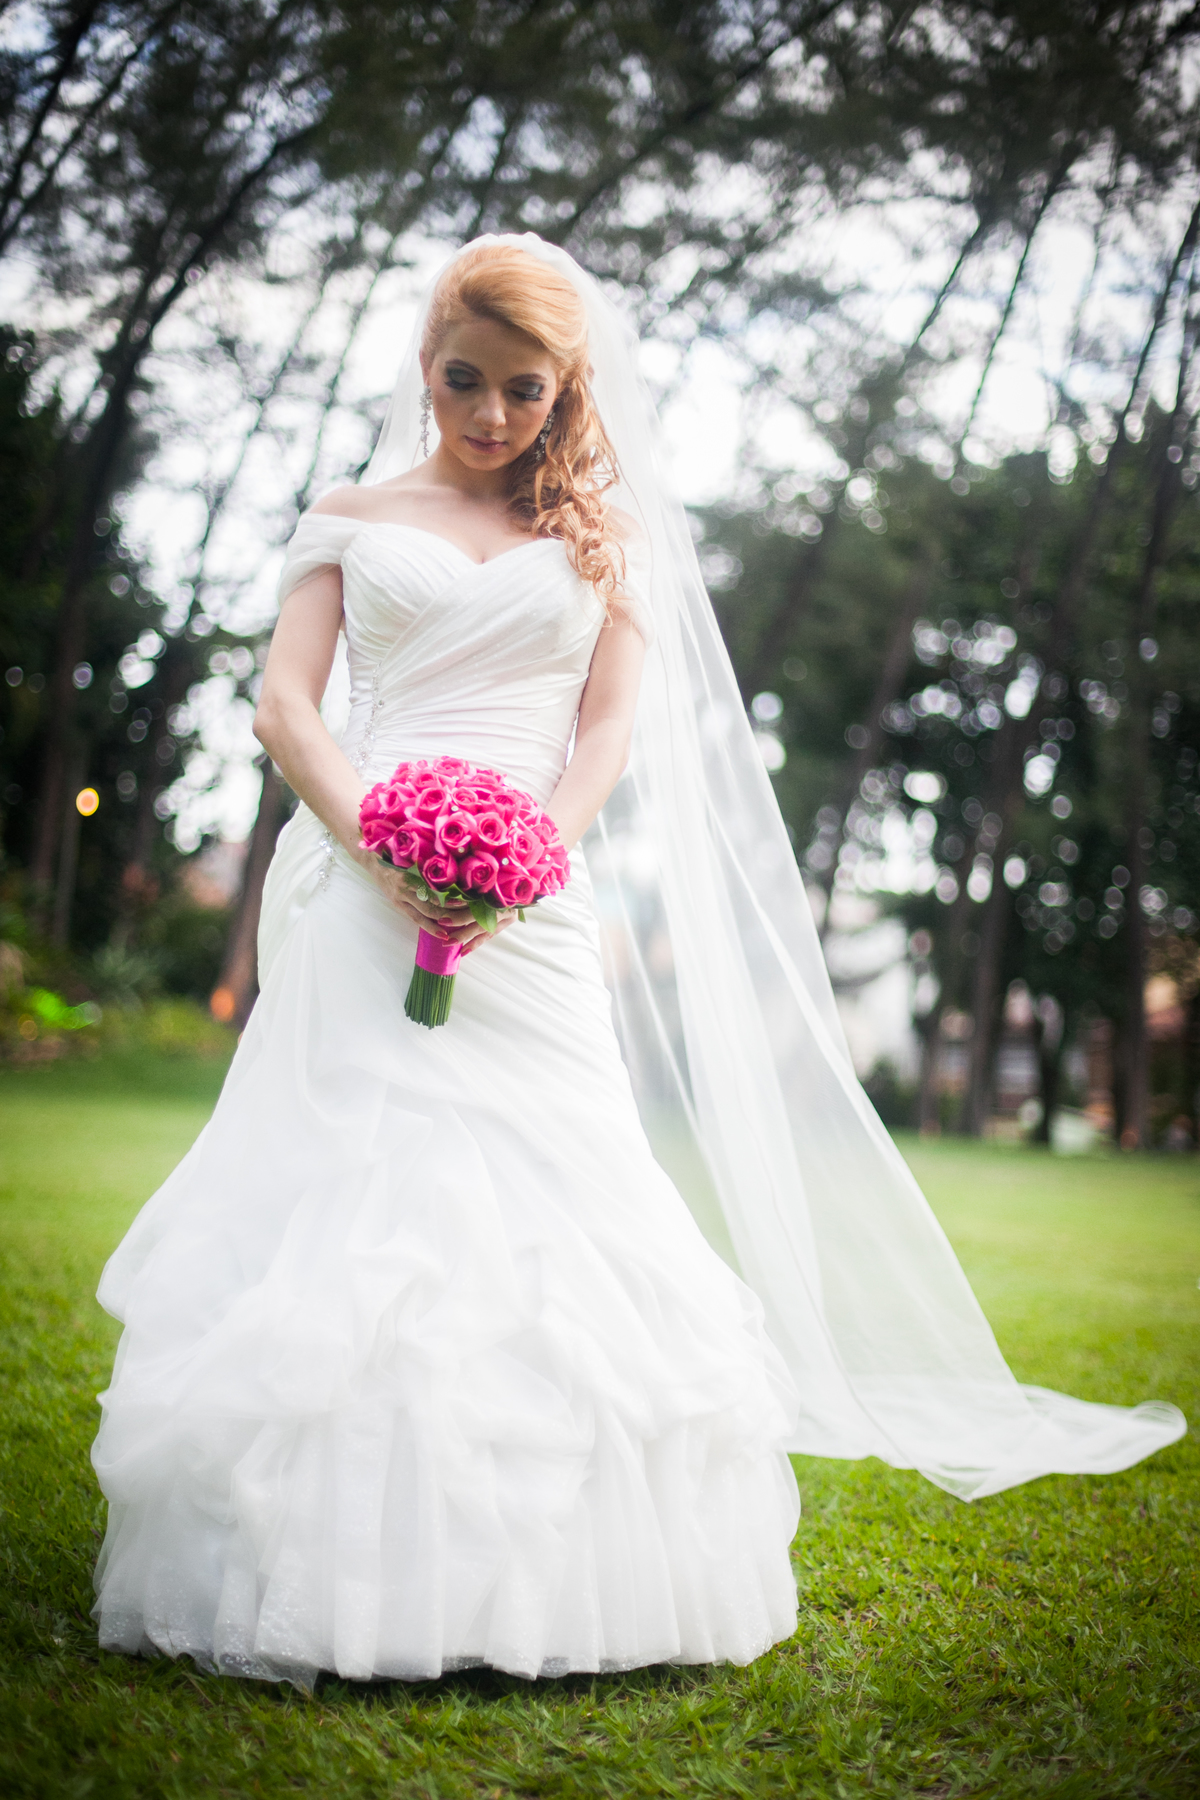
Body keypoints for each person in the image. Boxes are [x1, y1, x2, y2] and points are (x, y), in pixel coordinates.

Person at [90, 236, 1184, 1691]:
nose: (488, 414)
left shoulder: (605, 537)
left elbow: (604, 734)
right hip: (361, 877)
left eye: (522, 390)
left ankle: (561, 1562)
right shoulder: (351, 515)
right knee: (352, 1175)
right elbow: (289, 708)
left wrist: (518, 859)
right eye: (464, 381)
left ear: (565, 387)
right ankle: (322, 1555)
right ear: (427, 368)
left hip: (528, 899)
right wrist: (381, 845)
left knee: (564, 1178)